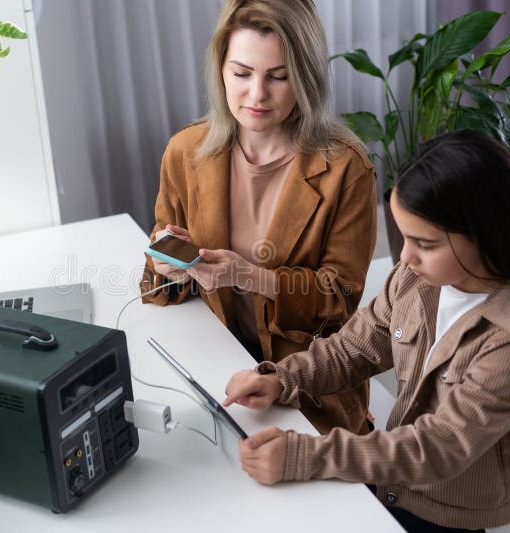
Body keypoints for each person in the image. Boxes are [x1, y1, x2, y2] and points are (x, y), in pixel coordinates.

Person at [223, 129, 510, 532]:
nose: (404, 256)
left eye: (424, 243)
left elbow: (439, 447)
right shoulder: (413, 278)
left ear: (486, 235)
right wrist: (282, 378)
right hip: (401, 480)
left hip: (464, 513)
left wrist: (306, 456)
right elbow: (353, 348)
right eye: (404, 236)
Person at [140, 0, 377, 435]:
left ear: (304, 76)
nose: (256, 95)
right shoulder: (185, 152)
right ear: (221, 70)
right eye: (241, 73)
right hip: (213, 365)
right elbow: (158, 284)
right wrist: (165, 266)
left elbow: (340, 299)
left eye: (278, 77)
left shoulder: (346, 169)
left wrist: (250, 276)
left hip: (306, 385)